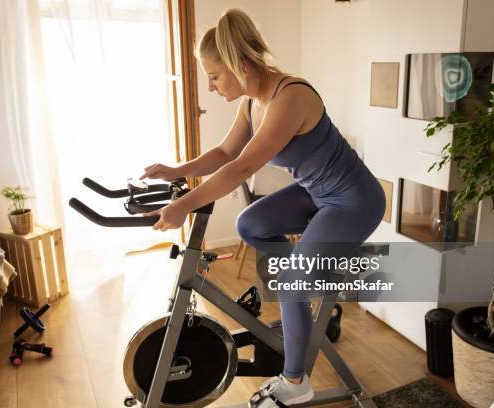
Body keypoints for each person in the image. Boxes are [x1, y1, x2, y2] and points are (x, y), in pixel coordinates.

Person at [141, 8, 385, 407]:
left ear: (239, 66)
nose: (211, 87)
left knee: (290, 282)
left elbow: (243, 166)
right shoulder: (252, 101)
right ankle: (302, 285)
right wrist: (176, 170)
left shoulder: (291, 96)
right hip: (315, 193)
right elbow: (224, 152)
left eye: (215, 76)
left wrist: (185, 205)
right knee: (250, 223)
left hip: (353, 201)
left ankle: (296, 381)